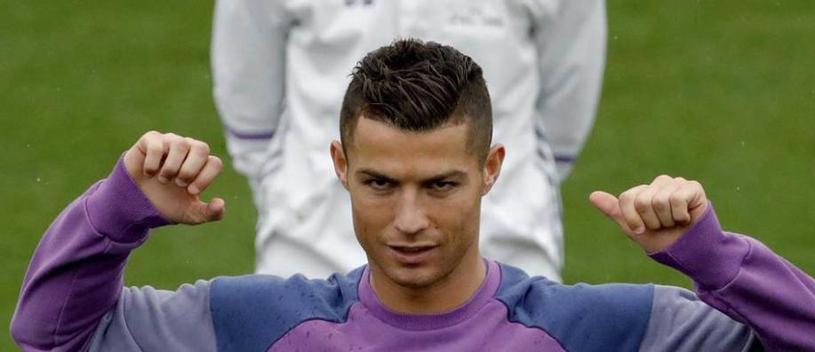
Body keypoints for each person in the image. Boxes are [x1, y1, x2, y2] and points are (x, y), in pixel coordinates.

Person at [11, 41, 815, 352]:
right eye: (381, 183)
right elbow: (55, 337)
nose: (411, 219)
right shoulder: (256, 334)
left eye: (442, 184)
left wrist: (713, 258)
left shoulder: (603, 342)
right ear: (341, 165)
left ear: (491, 170)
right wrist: (117, 211)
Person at [211, 0, 607, 281]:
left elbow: (568, 97)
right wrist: (304, 200)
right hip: (310, 256)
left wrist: (491, 196)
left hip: (507, 251)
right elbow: (247, 98)